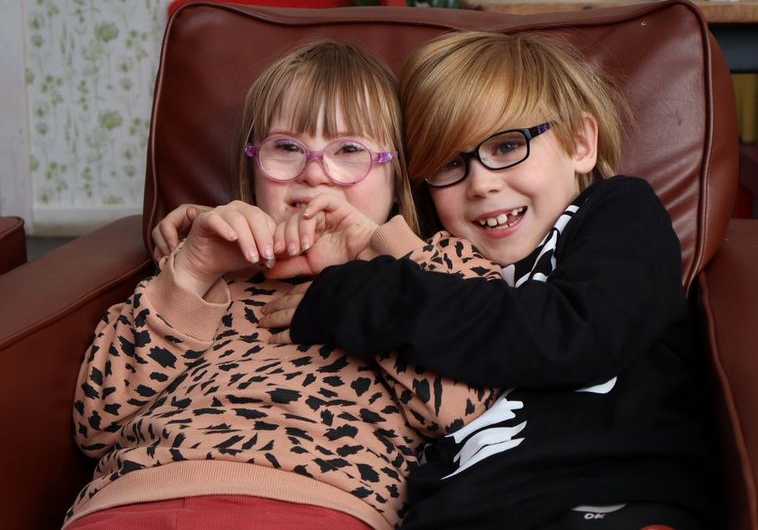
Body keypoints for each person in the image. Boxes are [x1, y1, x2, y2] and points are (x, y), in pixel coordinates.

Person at [255, 32, 723, 529]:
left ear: (581, 144)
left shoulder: (616, 214)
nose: (481, 184)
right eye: (451, 164)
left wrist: (360, 296)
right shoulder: (435, 257)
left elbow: (577, 332)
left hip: (607, 496)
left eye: (507, 145)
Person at [67, 41, 501, 530]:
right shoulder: (206, 268)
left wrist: (373, 257)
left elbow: (465, 414)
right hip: (134, 498)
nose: (314, 174)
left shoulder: (436, 264)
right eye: (287, 148)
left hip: (320, 503)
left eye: (350, 150)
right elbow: (96, 426)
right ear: (253, 166)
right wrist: (193, 270)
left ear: (395, 170)